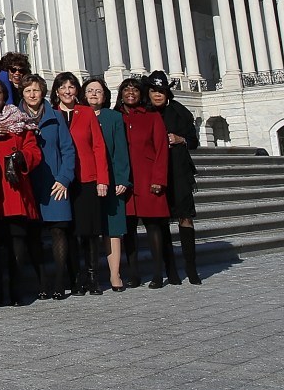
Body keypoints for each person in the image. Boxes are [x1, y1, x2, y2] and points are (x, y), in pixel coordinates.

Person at [0, 78, 45, 306]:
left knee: (17, 244)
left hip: (16, 192)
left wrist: (22, 157)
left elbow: (33, 150)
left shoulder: (19, 119)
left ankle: (17, 290)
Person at [17, 74, 76, 299]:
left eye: (36, 90)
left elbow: (68, 149)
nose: (33, 95)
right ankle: (43, 281)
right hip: (30, 182)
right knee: (34, 234)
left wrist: (64, 178)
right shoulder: (15, 116)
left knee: (59, 230)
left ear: (43, 92)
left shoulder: (55, 116)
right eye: (28, 91)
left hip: (55, 182)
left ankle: (60, 281)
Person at [52, 71, 109, 296]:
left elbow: (98, 146)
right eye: (63, 87)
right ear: (56, 91)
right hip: (63, 181)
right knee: (69, 231)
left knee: (89, 231)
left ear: (77, 91)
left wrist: (102, 179)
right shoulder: (52, 113)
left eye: (71, 87)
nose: (67, 91)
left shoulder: (86, 113)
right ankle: (75, 277)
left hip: (87, 177)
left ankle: (93, 276)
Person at [117, 77, 175, 288]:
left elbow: (161, 150)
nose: (130, 93)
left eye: (134, 89)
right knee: (129, 231)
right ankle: (134, 274)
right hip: (126, 182)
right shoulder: (117, 117)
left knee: (153, 228)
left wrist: (159, 179)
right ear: (121, 93)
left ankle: (158, 273)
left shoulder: (152, 116)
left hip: (148, 178)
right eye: (126, 89)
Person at [146, 70, 202, 284]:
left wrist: (181, 139)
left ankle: (191, 266)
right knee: (161, 221)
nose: (157, 94)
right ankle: (171, 269)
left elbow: (194, 141)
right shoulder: (146, 113)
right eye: (153, 91)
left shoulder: (180, 112)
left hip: (179, 170)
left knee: (185, 217)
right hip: (156, 172)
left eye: (161, 90)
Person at [84, 78, 132, 292]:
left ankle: (115, 274)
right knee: (91, 227)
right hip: (87, 179)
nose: (94, 94)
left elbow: (121, 150)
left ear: (105, 96)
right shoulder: (79, 115)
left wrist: (122, 178)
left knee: (113, 229)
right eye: (90, 90)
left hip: (112, 179)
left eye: (98, 91)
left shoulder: (113, 117)